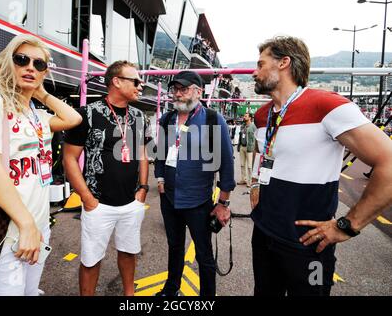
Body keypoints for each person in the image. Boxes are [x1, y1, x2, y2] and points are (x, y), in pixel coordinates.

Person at [249, 36, 392, 296]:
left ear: (284, 63)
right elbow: (266, 155)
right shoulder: (262, 115)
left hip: (307, 245)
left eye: (260, 64)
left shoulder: (327, 105)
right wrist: (256, 184)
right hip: (264, 234)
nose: (254, 72)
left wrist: (348, 225)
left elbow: (389, 162)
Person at [0, 34, 82, 295]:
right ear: (8, 64)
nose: (30, 67)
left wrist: (41, 93)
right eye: (22, 60)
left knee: (30, 292)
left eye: (39, 64)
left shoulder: (38, 115)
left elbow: (73, 118)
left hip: (38, 225)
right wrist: (25, 225)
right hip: (6, 229)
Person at [63, 60, 150, 296]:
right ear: (117, 81)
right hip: (98, 203)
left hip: (131, 202)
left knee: (129, 251)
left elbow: (142, 153)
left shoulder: (140, 117)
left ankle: (129, 296)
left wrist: (142, 189)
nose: (140, 86)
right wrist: (87, 198)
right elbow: (69, 158)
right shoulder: (87, 114)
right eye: (135, 81)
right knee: (91, 259)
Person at [154, 71, 235, 296]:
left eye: (184, 89)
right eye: (176, 89)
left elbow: (227, 163)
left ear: (198, 92)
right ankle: (171, 289)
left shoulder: (211, 118)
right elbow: (161, 153)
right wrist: (159, 178)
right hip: (169, 198)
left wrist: (223, 202)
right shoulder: (167, 119)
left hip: (198, 201)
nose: (178, 94)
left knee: (204, 254)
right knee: (175, 247)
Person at [237, 112, 256, 187]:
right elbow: (240, 136)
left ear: (250, 118)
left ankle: (250, 181)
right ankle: (243, 179)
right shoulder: (242, 126)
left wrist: (254, 148)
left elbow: (255, 138)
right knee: (242, 165)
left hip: (249, 148)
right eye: (244, 116)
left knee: (249, 166)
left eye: (246, 116)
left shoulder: (253, 126)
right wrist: (239, 145)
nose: (244, 117)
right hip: (242, 146)